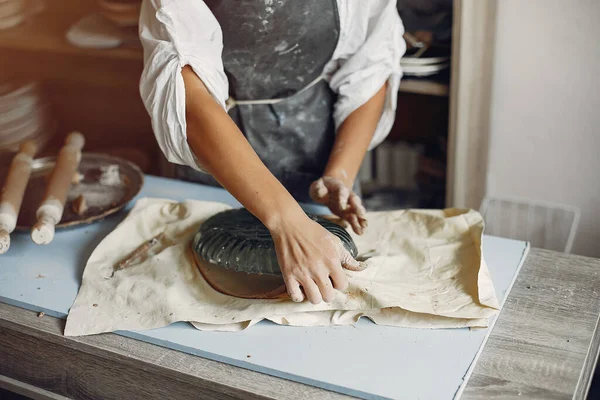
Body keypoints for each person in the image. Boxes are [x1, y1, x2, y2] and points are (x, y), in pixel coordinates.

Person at [138, 0, 405, 305]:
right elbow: (187, 85)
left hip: (315, 142)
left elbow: (372, 64)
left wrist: (339, 173)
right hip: (213, 145)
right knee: (205, 282)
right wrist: (287, 221)